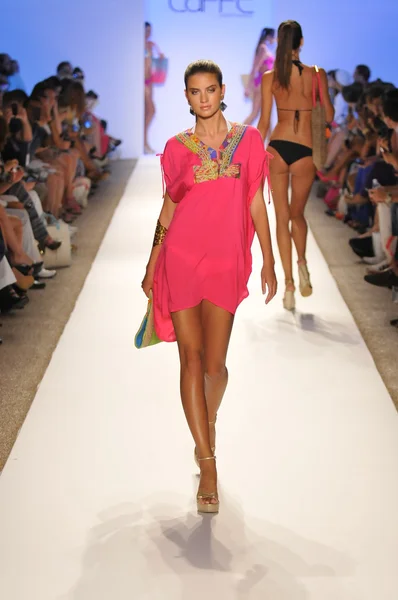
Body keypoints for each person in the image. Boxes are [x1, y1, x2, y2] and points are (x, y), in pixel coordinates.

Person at [141, 59, 277, 514]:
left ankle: (208, 419)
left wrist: (270, 259)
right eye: (195, 91)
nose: (203, 98)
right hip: (181, 260)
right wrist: (152, 261)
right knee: (190, 358)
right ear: (186, 97)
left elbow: (256, 199)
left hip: (225, 261)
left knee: (215, 368)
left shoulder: (249, 140)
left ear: (222, 92)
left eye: (210, 90)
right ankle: (208, 461)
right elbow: (168, 209)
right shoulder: (177, 148)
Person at [257, 20, 334, 310]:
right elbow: (327, 114)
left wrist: (253, 154)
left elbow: (264, 122)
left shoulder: (270, 77)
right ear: (301, 42)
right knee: (298, 216)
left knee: (281, 218)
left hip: (277, 147)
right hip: (305, 149)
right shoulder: (317, 74)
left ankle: (288, 284)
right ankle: (302, 266)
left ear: (280, 42)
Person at [244, 28, 275, 126]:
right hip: (261, 84)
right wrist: (249, 87)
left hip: (265, 83)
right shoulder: (263, 48)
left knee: (263, 114)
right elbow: (255, 67)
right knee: (255, 113)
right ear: (269, 37)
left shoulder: (264, 48)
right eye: (273, 37)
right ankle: (236, 136)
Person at [144, 22, 164, 155]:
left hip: (149, 81)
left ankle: (144, 142)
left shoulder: (150, 45)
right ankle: (143, 142)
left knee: (148, 112)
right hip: (142, 82)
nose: (148, 33)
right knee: (150, 110)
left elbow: (157, 60)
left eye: (150, 30)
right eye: (146, 30)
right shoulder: (138, 45)